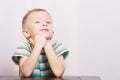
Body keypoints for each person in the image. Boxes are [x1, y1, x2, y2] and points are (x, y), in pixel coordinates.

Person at [12, 8, 69, 77]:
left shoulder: (57, 46)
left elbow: (59, 73)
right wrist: (38, 45)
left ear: (52, 33)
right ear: (26, 33)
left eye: (48, 22)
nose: (44, 24)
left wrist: (47, 46)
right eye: (37, 22)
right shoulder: (24, 46)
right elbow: (26, 73)